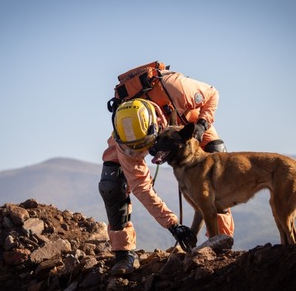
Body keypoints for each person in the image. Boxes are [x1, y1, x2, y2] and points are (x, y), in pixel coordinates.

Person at [98, 64, 234, 275]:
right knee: (111, 184)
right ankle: (123, 255)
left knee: (219, 165)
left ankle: (222, 243)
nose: (145, 153)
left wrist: (202, 124)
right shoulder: (126, 141)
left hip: (189, 122)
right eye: (139, 149)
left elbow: (212, 93)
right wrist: (173, 225)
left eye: (146, 146)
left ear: (155, 127)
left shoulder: (176, 88)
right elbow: (141, 187)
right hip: (141, 133)